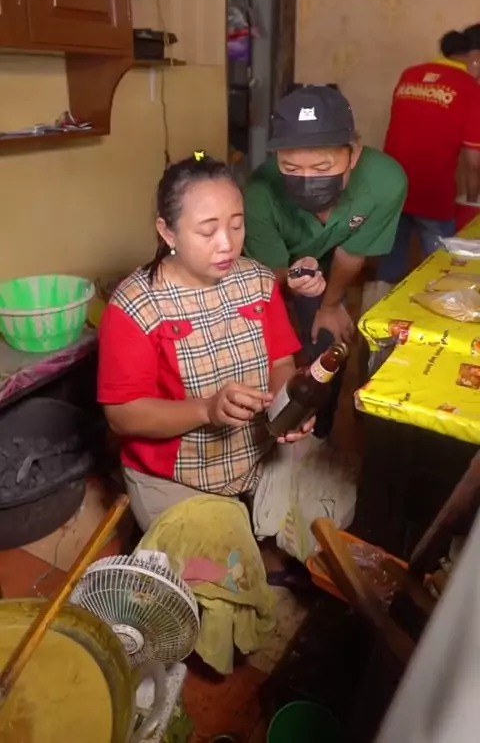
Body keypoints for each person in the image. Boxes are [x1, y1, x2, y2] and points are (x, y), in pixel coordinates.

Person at [97, 152, 313, 532]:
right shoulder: (135, 305)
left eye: (237, 225)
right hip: (175, 477)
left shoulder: (258, 281)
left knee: (328, 513)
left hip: (258, 452)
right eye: (207, 231)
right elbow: (122, 415)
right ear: (168, 233)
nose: (227, 244)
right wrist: (207, 409)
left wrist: (288, 409)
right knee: (217, 562)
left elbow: (281, 363)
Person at [243, 84, 407, 442]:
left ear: (353, 153)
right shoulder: (258, 192)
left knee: (330, 340)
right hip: (275, 272)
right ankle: (278, 429)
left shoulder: (385, 181)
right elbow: (268, 276)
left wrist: (329, 304)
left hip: (332, 262)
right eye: (290, 166)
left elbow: (352, 254)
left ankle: (321, 433)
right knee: (264, 352)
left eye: (322, 166)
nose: (307, 179)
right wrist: (294, 280)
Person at [378, 28, 480, 288]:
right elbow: (473, 159)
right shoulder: (469, 87)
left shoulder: (410, 74)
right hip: (433, 192)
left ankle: (378, 307)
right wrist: (472, 200)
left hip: (392, 185)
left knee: (390, 257)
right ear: (474, 57)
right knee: (442, 265)